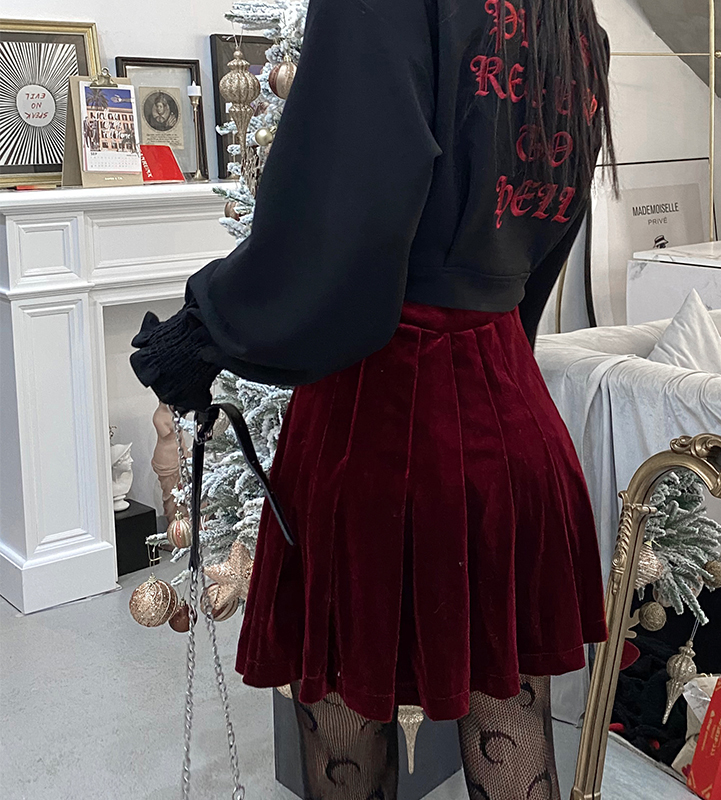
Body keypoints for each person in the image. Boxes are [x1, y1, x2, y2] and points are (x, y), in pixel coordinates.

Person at [130, 1, 616, 798]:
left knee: (345, 728)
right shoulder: (570, 20)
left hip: (377, 421)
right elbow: (541, 246)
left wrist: (204, 332)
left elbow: (341, 208)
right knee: (510, 714)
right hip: (513, 416)